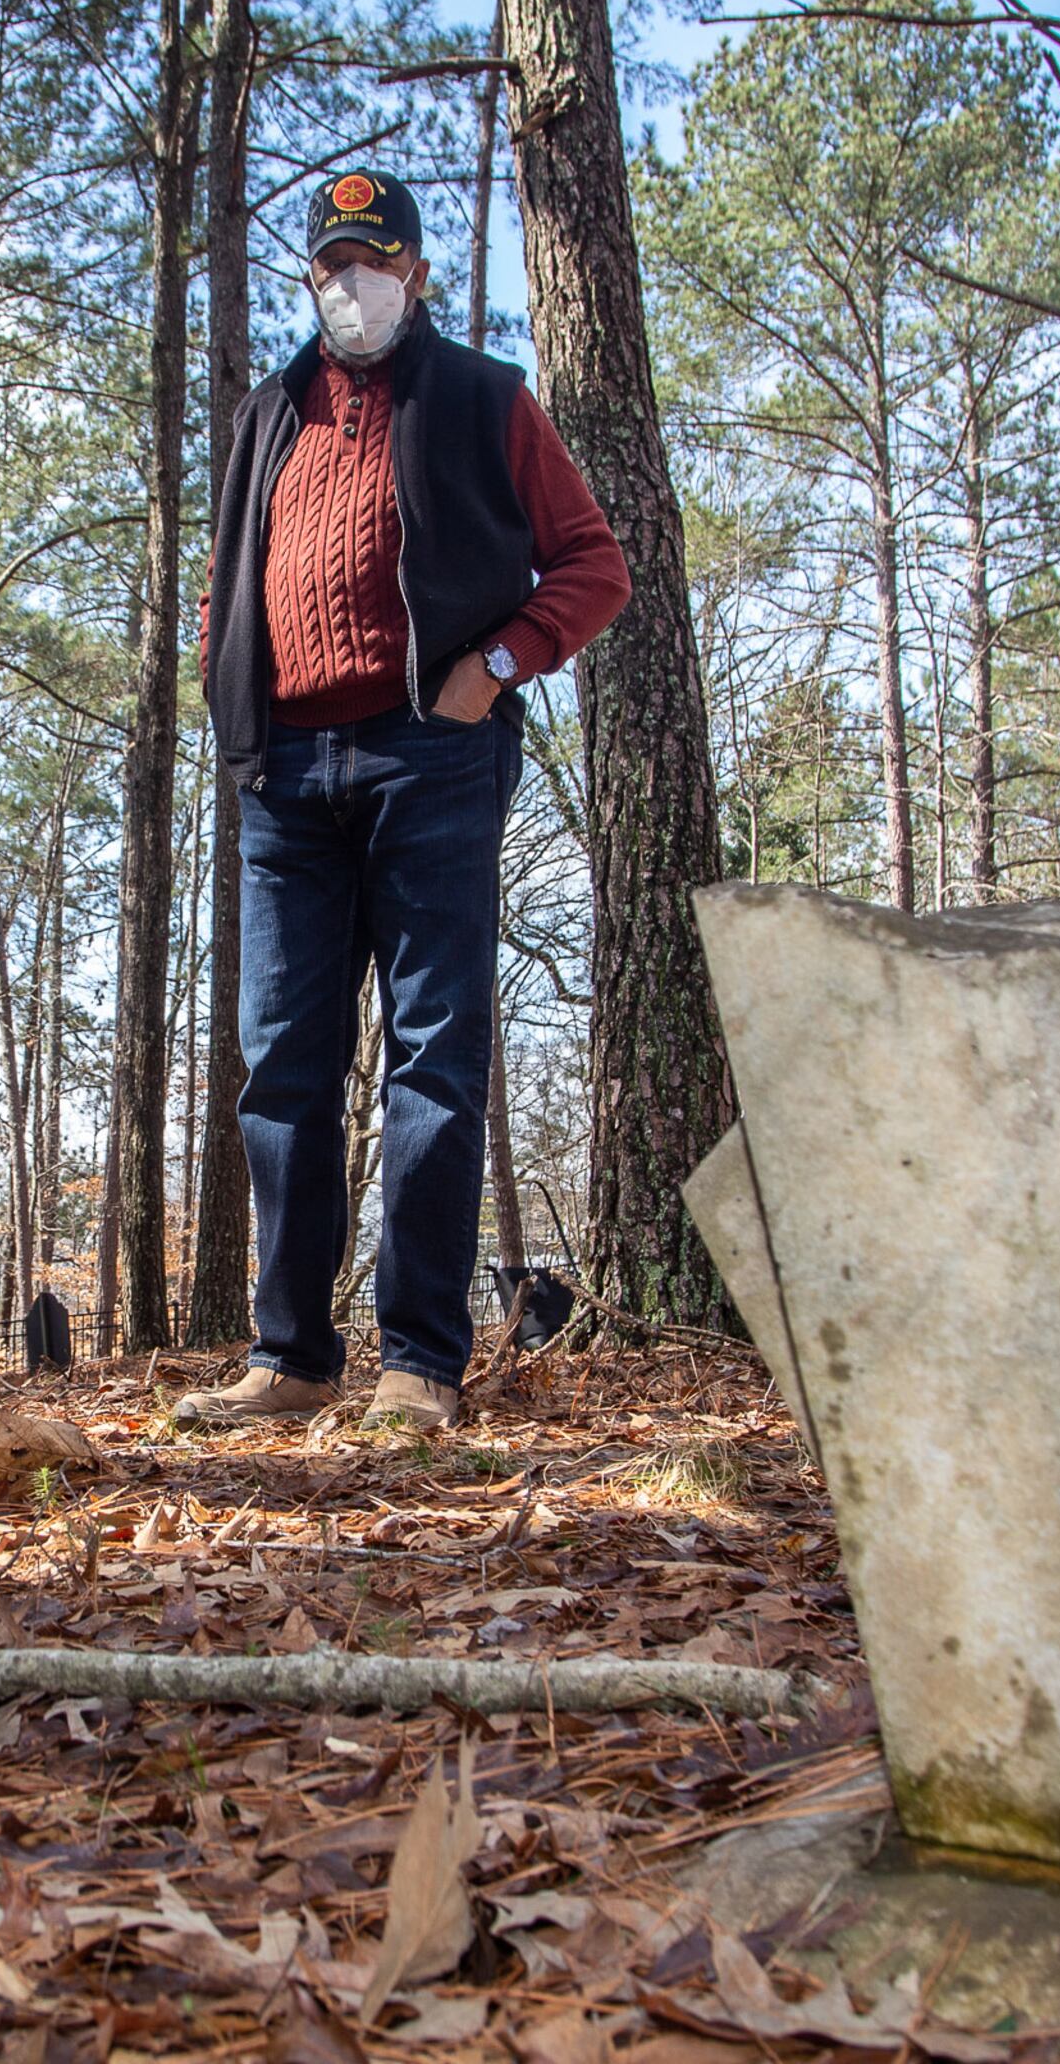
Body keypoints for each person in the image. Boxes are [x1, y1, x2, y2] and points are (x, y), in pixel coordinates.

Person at [172, 171, 630, 1433]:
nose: (348, 282)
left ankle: (420, 1362)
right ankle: (291, 1355)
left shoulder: (483, 399)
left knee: (434, 1053)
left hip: (431, 757)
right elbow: (230, 580)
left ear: (414, 273)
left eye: (371, 261)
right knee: (283, 1064)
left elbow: (595, 563)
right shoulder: (269, 411)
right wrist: (228, 678)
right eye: (328, 264)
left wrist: (494, 669)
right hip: (284, 779)